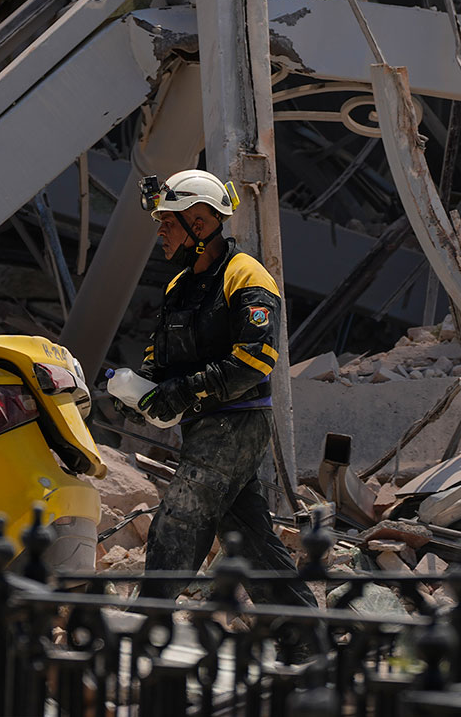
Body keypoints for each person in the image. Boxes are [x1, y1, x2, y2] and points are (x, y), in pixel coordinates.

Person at [127, 168, 319, 627]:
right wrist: (142, 389)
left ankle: (143, 627)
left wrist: (182, 391)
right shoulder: (180, 286)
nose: (160, 231)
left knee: (181, 515)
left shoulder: (246, 275)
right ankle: (306, 636)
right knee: (247, 537)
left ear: (199, 221)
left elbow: (254, 361)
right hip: (205, 424)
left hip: (235, 421)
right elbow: (161, 356)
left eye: (167, 221)